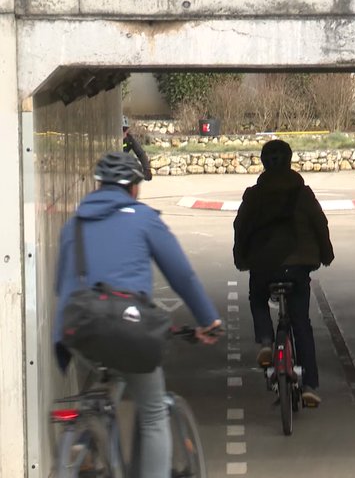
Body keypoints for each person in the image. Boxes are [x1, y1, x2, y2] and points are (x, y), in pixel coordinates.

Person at [53, 151, 221, 478]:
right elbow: (182, 275)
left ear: (99, 184)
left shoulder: (73, 224)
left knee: (102, 376)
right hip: (130, 330)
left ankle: (86, 444)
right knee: (154, 411)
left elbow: (63, 285)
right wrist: (207, 320)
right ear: (133, 188)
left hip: (78, 329)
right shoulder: (144, 218)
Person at [232, 139, 334, 407]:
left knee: (257, 298)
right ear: (290, 160)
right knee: (301, 323)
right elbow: (320, 224)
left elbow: (241, 228)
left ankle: (266, 340)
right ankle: (310, 385)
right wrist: (326, 254)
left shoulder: (254, 195)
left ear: (263, 162)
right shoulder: (303, 194)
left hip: (264, 265)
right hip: (299, 266)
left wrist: (241, 259)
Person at [122, 116, 153, 181]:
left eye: (124, 129)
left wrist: (147, 169)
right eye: (121, 129)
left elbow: (141, 154)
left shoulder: (129, 140)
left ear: (127, 130)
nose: (123, 132)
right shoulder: (108, 140)